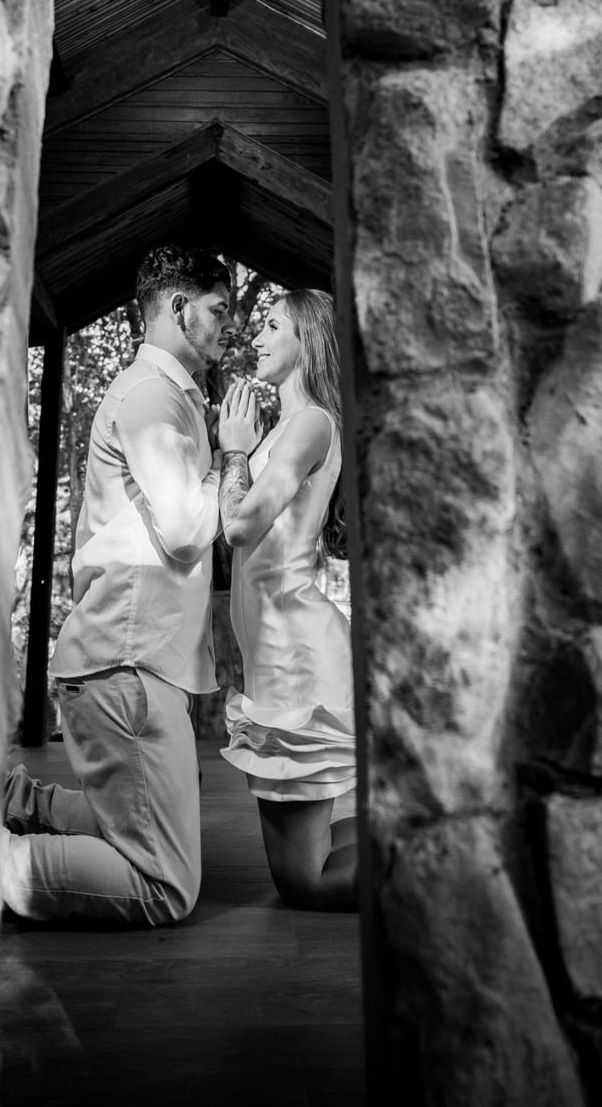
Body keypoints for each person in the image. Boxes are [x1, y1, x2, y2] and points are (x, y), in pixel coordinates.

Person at [0, 245, 232, 925]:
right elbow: (187, 530)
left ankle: (16, 804)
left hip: (130, 662)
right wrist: (233, 458)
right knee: (165, 886)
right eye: (219, 310)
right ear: (179, 309)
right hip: (126, 665)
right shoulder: (150, 396)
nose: (231, 326)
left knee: (134, 825)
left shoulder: (166, 395)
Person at [215, 289, 358, 911]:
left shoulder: (312, 423)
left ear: (308, 340)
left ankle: (446, 859)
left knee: (306, 882)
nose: (256, 336)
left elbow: (241, 525)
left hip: (296, 652)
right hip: (276, 653)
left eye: (272, 326)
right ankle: (429, 833)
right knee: (300, 873)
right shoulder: (284, 428)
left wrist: (233, 451)